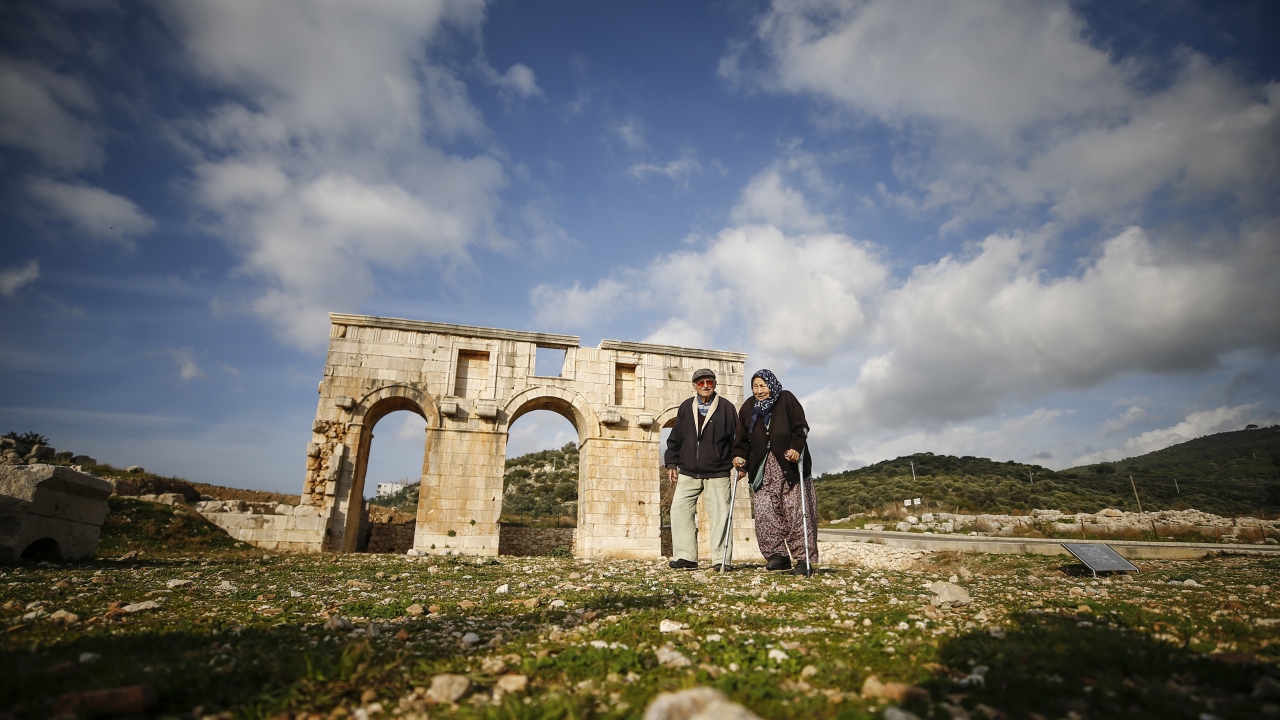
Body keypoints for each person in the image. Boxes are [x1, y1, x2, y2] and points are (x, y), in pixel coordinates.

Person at [733, 369, 816, 576]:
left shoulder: (786, 399)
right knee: (765, 512)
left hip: (789, 467)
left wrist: (796, 448)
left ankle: (803, 559)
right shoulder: (748, 407)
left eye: (763, 386)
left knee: (796, 514)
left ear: (771, 384)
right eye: (755, 386)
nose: (759, 391)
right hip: (762, 469)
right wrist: (739, 459)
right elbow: (740, 439)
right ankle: (778, 556)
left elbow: (801, 428)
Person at [664, 368, 738, 571]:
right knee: (679, 511)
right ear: (694, 385)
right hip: (688, 470)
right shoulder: (686, 407)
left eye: (709, 382)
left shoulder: (727, 408)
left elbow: (737, 439)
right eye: (701, 382)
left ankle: (721, 559)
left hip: (718, 471)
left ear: (715, 384)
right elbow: (676, 437)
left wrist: (741, 461)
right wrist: (671, 462)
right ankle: (686, 557)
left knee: (721, 516)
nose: (706, 386)